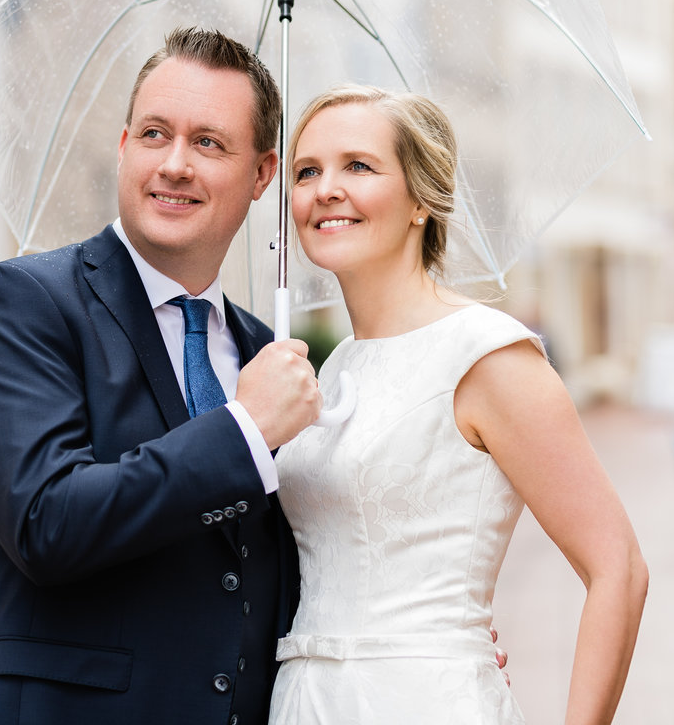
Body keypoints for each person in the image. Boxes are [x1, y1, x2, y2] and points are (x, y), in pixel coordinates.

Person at [0, 28, 323, 725]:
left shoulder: (266, 353)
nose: (174, 164)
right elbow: (46, 523)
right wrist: (243, 432)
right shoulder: (20, 305)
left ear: (263, 173)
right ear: (124, 147)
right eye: (154, 134)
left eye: (208, 143)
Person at [269, 86, 648, 725]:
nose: (325, 188)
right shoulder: (324, 372)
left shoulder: (485, 355)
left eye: (357, 166)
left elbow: (619, 569)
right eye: (307, 171)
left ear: (421, 199)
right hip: (308, 704)